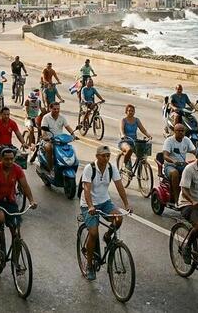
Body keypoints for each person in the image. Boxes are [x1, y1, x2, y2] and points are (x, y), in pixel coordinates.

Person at [80, 145, 131, 281]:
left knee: (118, 219)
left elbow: (119, 186)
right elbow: (86, 189)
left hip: (105, 202)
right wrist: (90, 206)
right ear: (97, 156)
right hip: (88, 204)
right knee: (94, 233)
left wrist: (126, 204)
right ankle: (89, 265)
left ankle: (108, 236)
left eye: (108, 155)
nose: (106, 158)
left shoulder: (111, 167)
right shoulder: (89, 169)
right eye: (103, 155)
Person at [0, 147, 37, 252]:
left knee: (16, 235)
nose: (9, 161)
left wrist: (31, 200)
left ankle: (16, 263)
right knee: (0, 218)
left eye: (11, 159)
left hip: (10, 201)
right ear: (1, 159)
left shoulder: (17, 169)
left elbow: (25, 186)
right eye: (6, 159)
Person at [162, 123, 197, 207]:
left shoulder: (187, 140)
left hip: (182, 165)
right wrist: (173, 161)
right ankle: (177, 200)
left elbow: (195, 152)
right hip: (170, 166)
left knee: (194, 172)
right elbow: (165, 155)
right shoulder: (169, 141)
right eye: (178, 131)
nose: (181, 132)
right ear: (174, 131)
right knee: (175, 173)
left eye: (182, 131)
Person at [40, 102, 76, 172]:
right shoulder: (46, 117)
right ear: (50, 109)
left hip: (60, 140)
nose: (56, 110)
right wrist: (46, 137)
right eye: (54, 109)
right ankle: (50, 169)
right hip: (49, 140)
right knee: (49, 148)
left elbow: (67, 127)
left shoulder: (62, 117)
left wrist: (73, 134)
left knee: (69, 149)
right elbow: (43, 131)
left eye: (58, 109)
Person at [118, 104, 151, 169]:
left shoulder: (136, 120)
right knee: (129, 149)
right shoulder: (123, 120)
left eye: (132, 111)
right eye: (129, 110)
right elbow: (121, 129)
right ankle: (125, 162)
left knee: (142, 153)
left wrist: (148, 135)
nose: (131, 112)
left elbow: (143, 129)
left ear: (134, 112)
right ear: (126, 112)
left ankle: (140, 168)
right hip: (125, 141)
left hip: (134, 141)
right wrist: (122, 135)